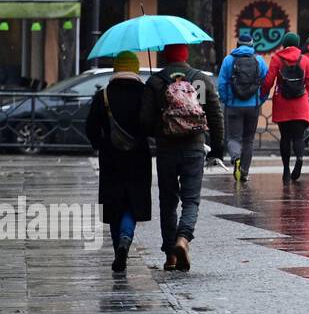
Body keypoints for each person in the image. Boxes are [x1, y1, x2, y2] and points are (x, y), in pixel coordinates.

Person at [140, 43, 225, 271]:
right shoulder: (201, 79)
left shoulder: (156, 82)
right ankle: (183, 240)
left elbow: (145, 121)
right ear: (186, 56)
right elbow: (215, 115)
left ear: (165, 56)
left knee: (167, 202)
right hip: (194, 147)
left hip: (166, 149)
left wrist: (161, 127)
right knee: (191, 200)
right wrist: (218, 148)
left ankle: (170, 255)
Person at [86, 52, 152, 273]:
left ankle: (118, 250)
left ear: (115, 69)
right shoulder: (144, 93)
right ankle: (126, 238)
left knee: (115, 203)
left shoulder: (103, 95)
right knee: (132, 202)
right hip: (138, 156)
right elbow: (151, 126)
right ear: (134, 69)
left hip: (110, 157)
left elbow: (90, 129)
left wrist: (101, 143)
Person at [262, 32, 309, 182]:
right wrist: (302, 94)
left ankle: (286, 170)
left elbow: (269, 81)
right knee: (298, 137)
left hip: (283, 104)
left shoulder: (276, 59)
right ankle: (299, 159)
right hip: (300, 105)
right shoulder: (304, 60)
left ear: (284, 43)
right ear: (297, 44)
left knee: (285, 137)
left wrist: (262, 94)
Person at [217, 33, 268, 183]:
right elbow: (266, 83)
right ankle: (244, 172)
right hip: (253, 106)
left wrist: (227, 100)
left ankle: (235, 157)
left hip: (233, 106)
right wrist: (260, 100)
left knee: (233, 137)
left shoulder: (228, 60)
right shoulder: (259, 60)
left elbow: (221, 84)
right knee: (248, 140)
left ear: (237, 45)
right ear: (252, 45)